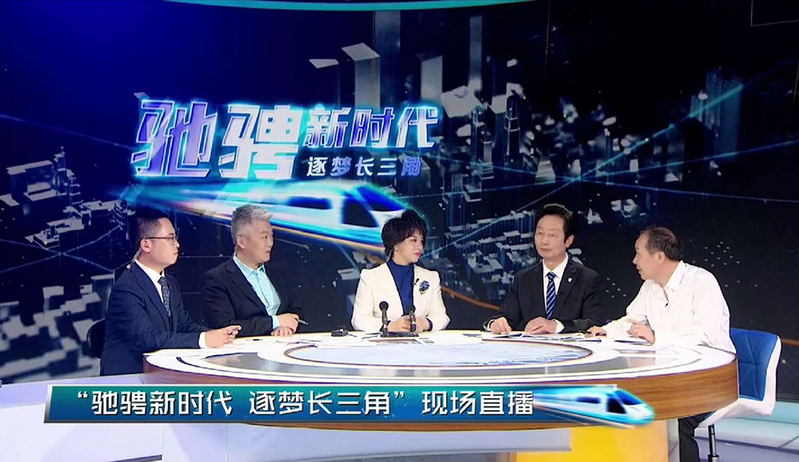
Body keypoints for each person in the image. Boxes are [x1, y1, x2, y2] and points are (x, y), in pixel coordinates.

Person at [587, 226, 734, 462]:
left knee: (672, 416)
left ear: (659, 256)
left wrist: (657, 337)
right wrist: (607, 331)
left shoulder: (702, 282)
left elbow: (704, 335)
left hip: (709, 379)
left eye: (638, 253)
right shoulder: (650, 286)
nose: (634, 261)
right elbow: (632, 320)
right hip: (672, 376)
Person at [102, 208, 239, 375]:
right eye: (170, 238)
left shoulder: (170, 283)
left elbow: (182, 326)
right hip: (129, 378)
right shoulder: (127, 287)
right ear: (146, 245)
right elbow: (147, 339)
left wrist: (214, 335)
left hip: (161, 373)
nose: (177, 244)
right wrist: (203, 339)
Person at [485, 203, 605, 334]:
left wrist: (556, 326)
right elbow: (505, 317)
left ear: (568, 241)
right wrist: (495, 324)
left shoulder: (587, 279)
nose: (544, 241)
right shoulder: (523, 279)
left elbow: (595, 322)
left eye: (552, 235)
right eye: (540, 233)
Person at [203, 204, 303, 337]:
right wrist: (275, 322)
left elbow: (294, 310)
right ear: (242, 242)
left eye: (271, 236)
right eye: (264, 237)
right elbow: (225, 326)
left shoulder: (276, 272)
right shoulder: (218, 279)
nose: (270, 243)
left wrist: (286, 327)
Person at [351, 210, 449, 333]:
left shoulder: (431, 277)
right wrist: (390, 326)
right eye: (413, 240)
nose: (420, 246)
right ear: (396, 244)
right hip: (385, 344)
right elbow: (359, 319)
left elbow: (442, 317)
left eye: (421, 240)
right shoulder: (370, 277)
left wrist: (425, 323)